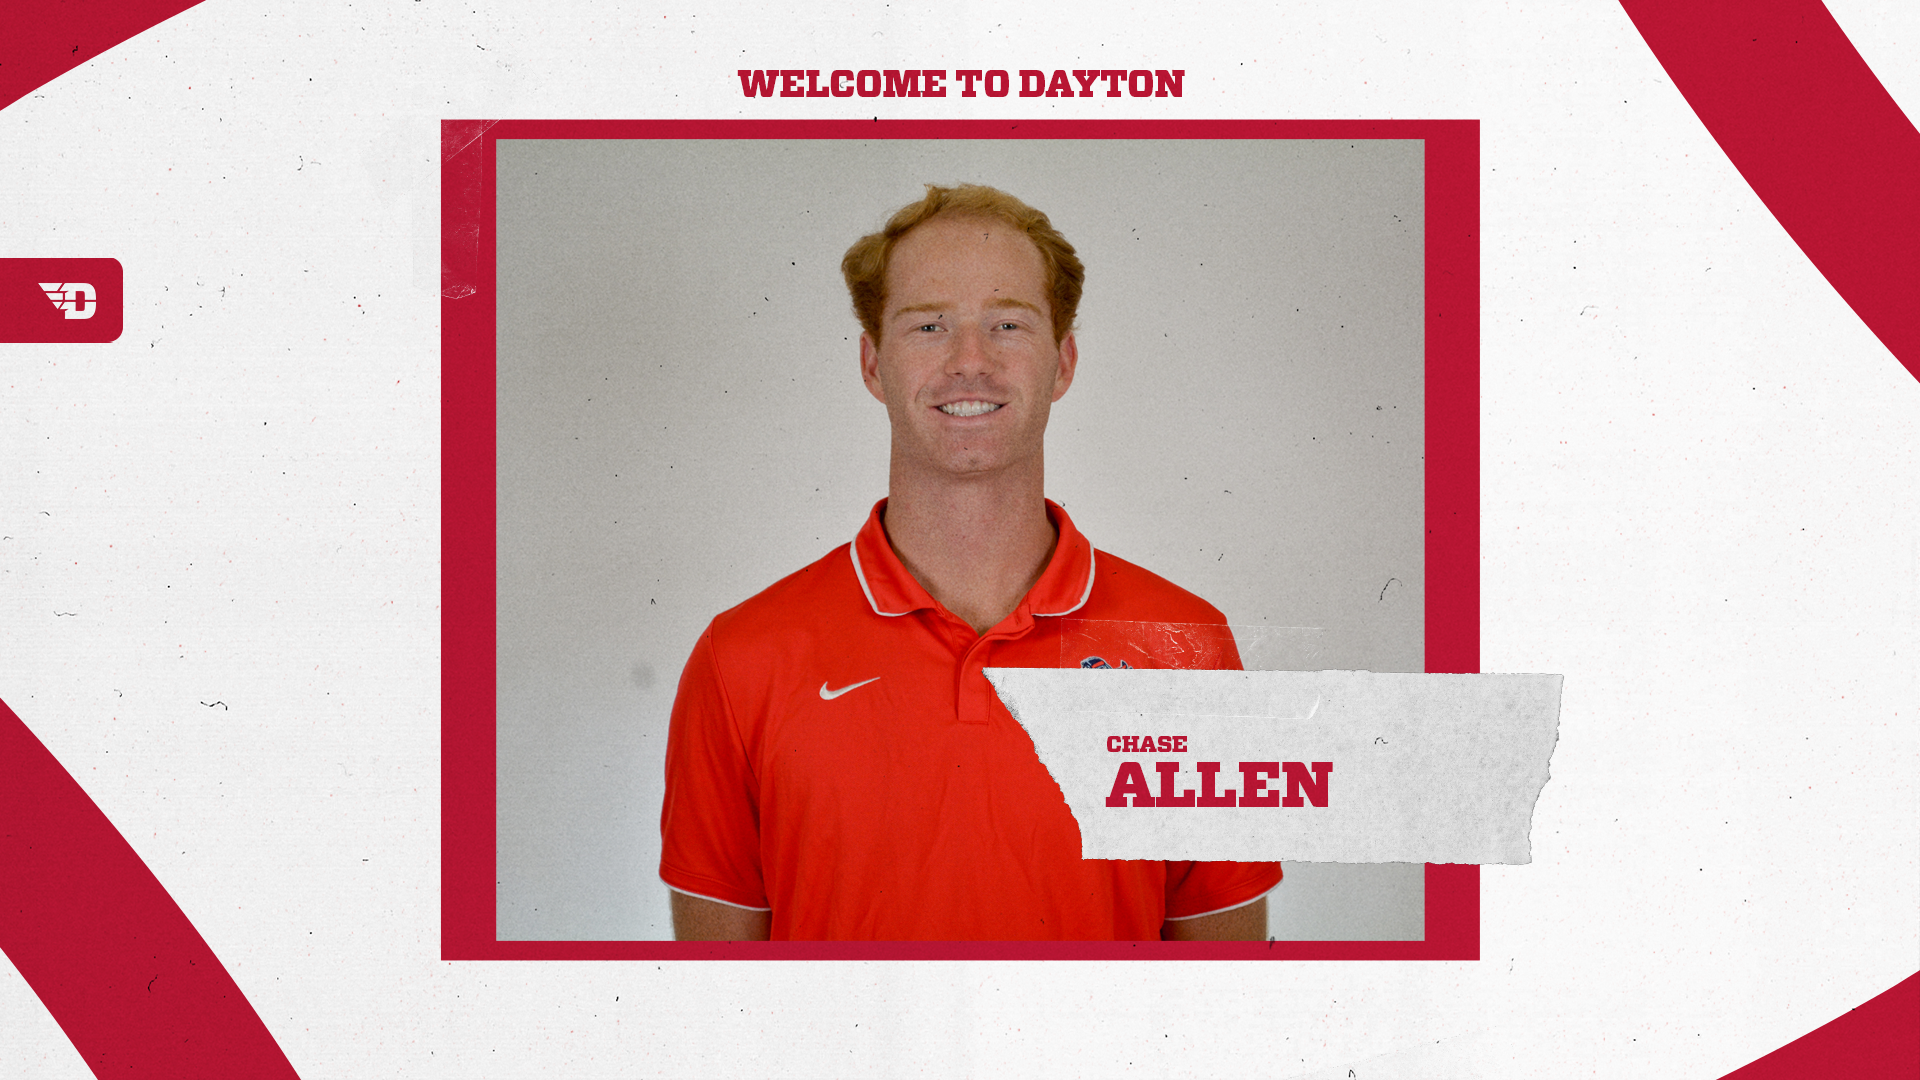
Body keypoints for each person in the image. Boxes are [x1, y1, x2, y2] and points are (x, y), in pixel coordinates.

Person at [659, 183, 1282, 940]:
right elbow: (724, 1022)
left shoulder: (1189, 649)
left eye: (1008, 324)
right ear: (871, 364)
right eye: (928, 326)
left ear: (1062, 364)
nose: (970, 362)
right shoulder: (741, 660)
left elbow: (1224, 1008)